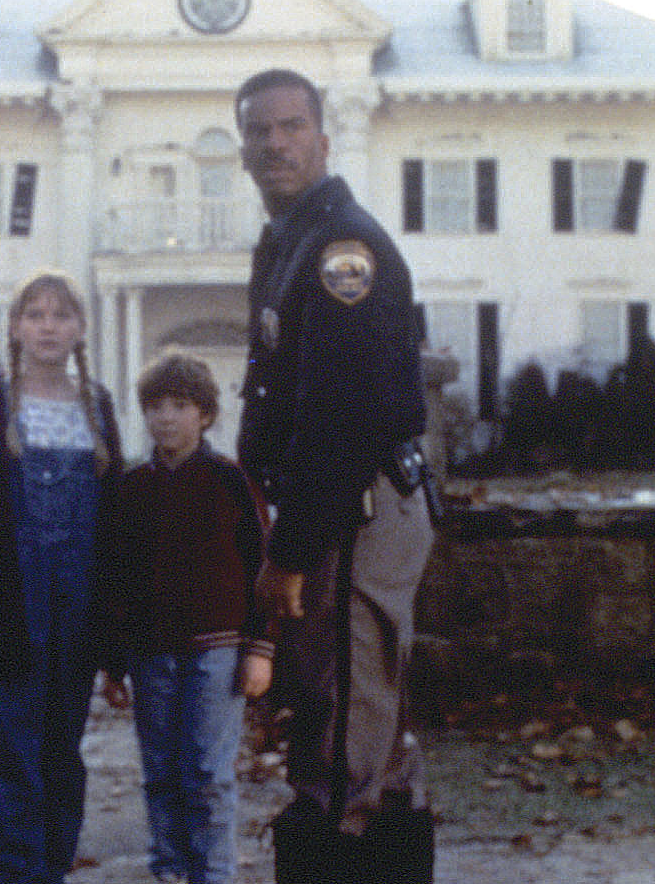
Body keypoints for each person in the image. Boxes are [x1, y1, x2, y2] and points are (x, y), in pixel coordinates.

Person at [233, 68, 438, 883]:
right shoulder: (290, 240)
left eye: (291, 127)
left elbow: (338, 420)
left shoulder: (340, 249)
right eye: (258, 130)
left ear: (322, 138)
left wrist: (287, 554)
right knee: (353, 717)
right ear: (241, 148)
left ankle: (343, 851)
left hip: (355, 506)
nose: (274, 143)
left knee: (347, 724)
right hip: (331, 504)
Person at [0, 272, 121, 884]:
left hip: (77, 616)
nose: (48, 327)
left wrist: (116, 637)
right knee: (13, 760)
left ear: (80, 329)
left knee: (62, 757)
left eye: (61, 315)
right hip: (6, 612)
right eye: (35, 314)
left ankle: (53, 871)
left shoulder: (98, 405)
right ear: (15, 327)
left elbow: (116, 526)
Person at [100, 352, 273, 884]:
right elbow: (115, 579)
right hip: (150, 652)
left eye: (179, 405)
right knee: (160, 770)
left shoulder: (230, 481)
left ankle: (212, 873)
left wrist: (260, 649)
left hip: (217, 650)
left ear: (205, 414)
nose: (166, 417)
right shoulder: (131, 487)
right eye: (155, 406)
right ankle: (170, 870)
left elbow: (262, 567)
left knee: (207, 772)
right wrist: (114, 664)